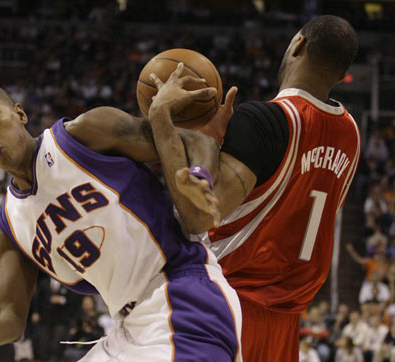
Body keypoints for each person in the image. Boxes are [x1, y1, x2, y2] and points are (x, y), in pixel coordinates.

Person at [0, 83, 242, 362]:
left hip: (185, 295)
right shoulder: (9, 227)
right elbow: (7, 317)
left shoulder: (83, 134)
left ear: (20, 114)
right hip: (128, 326)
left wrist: (199, 175)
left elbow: (194, 140)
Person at [147, 15, 360, 361]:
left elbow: (199, 216)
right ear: (340, 73)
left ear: (299, 45)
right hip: (285, 324)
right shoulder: (350, 134)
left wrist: (165, 123)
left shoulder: (265, 121)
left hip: (226, 310)